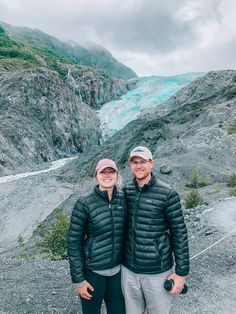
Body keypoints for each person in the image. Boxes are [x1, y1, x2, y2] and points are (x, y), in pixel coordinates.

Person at [122, 146, 190, 314]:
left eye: (143, 162)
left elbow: (179, 233)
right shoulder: (125, 191)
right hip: (129, 269)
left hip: (157, 270)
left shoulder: (167, 193)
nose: (139, 166)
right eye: (135, 162)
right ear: (130, 165)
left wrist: (181, 273)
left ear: (151, 163)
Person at [68, 159, 126, 314]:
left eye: (111, 172)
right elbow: (74, 243)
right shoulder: (84, 203)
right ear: (96, 175)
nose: (107, 176)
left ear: (117, 175)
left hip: (118, 273)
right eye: (103, 172)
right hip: (93, 273)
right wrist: (79, 280)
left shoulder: (124, 198)